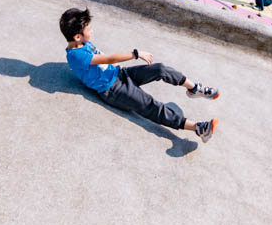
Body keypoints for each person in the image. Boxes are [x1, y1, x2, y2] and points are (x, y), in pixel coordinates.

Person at [61, 8, 219, 143]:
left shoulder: (83, 43)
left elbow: (101, 58)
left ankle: (194, 89)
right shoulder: (76, 55)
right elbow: (108, 58)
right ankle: (199, 128)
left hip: (120, 74)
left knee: (160, 69)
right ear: (77, 36)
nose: (92, 31)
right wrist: (135, 54)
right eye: (89, 29)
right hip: (112, 90)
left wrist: (116, 66)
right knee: (151, 105)